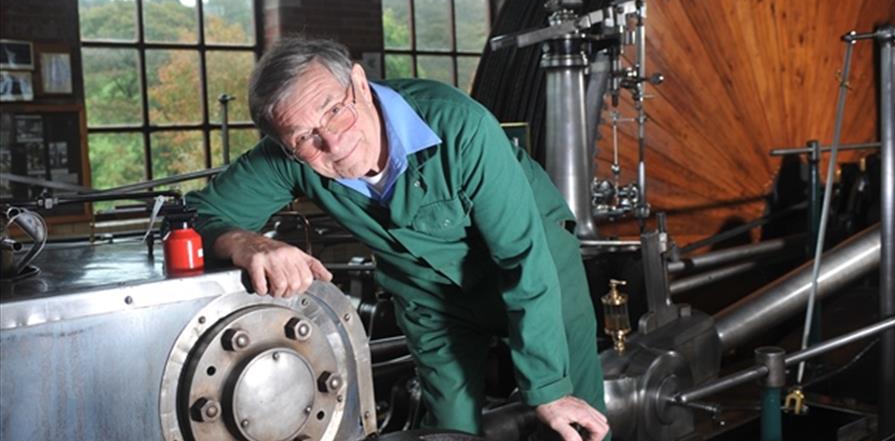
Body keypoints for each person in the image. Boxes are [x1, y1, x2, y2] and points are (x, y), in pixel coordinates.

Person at [186, 37, 610, 441]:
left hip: (539, 269)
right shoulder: (288, 157)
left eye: (334, 110)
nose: (332, 141)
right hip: (428, 297)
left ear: (358, 83)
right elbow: (195, 216)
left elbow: (523, 258)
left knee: (573, 423)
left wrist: (548, 389)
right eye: (304, 137)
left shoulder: (460, 124)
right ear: (284, 143)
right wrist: (248, 243)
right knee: (447, 429)